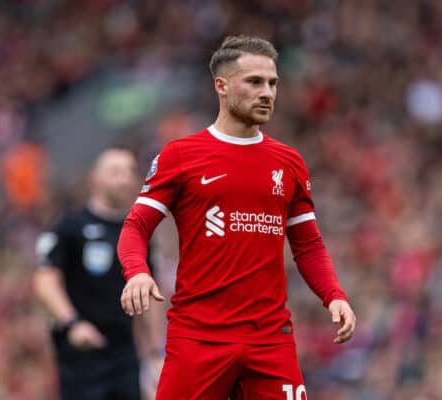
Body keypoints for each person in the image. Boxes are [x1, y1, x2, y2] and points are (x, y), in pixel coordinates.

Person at [117, 35, 356, 399]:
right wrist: (136, 272)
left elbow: (307, 245)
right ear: (222, 86)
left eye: (273, 83)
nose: (267, 93)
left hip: (270, 340)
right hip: (199, 337)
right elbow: (136, 226)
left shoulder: (288, 163)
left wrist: (334, 295)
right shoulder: (181, 155)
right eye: (255, 82)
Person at [34, 147, 165, 400]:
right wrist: (72, 323)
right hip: (81, 357)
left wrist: (154, 354)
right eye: (115, 172)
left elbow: (151, 292)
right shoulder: (70, 226)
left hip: (124, 354)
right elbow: (45, 280)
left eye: (130, 172)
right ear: (95, 179)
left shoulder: (139, 233)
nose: (125, 178)